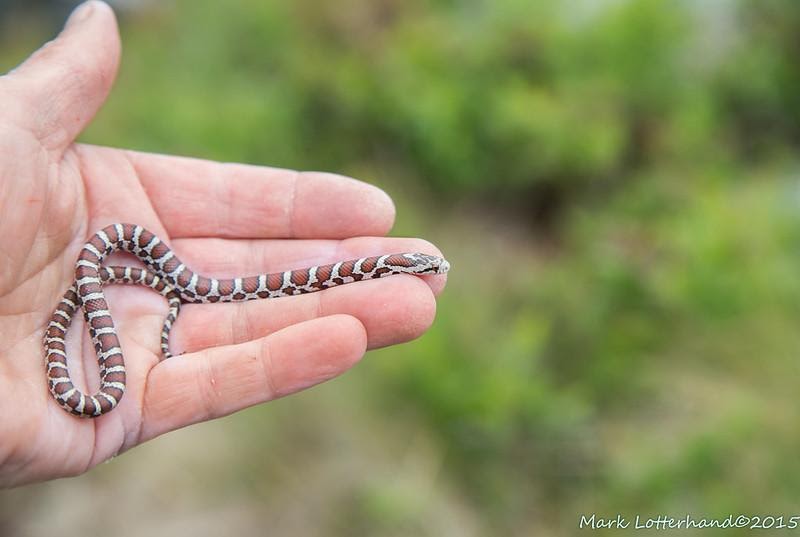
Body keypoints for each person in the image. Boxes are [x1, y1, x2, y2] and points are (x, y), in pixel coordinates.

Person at [0, 1, 446, 488]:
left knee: (174, 289)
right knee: (125, 315)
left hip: (138, 278)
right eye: (421, 265)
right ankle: (116, 294)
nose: (427, 266)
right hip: (112, 269)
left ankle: (132, 289)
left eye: (423, 265)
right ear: (405, 266)